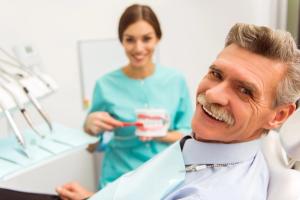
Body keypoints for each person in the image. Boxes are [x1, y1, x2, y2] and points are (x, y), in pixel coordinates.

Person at [56, 23, 300, 200]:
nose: (213, 94)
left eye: (245, 90)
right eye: (216, 74)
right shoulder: (207, 143)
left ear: (278, 116)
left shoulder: (209, 190)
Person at [77, 3, 192, 191]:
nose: (138, 48)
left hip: (165, 177)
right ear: (121, 40)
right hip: (119, 179)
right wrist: (88, 129)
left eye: (146, 39)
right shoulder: (105, 85)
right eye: (130, 40)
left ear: (158, 38)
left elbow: (189, 135)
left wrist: (161, 134)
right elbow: (92, 147)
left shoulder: (175, 80)